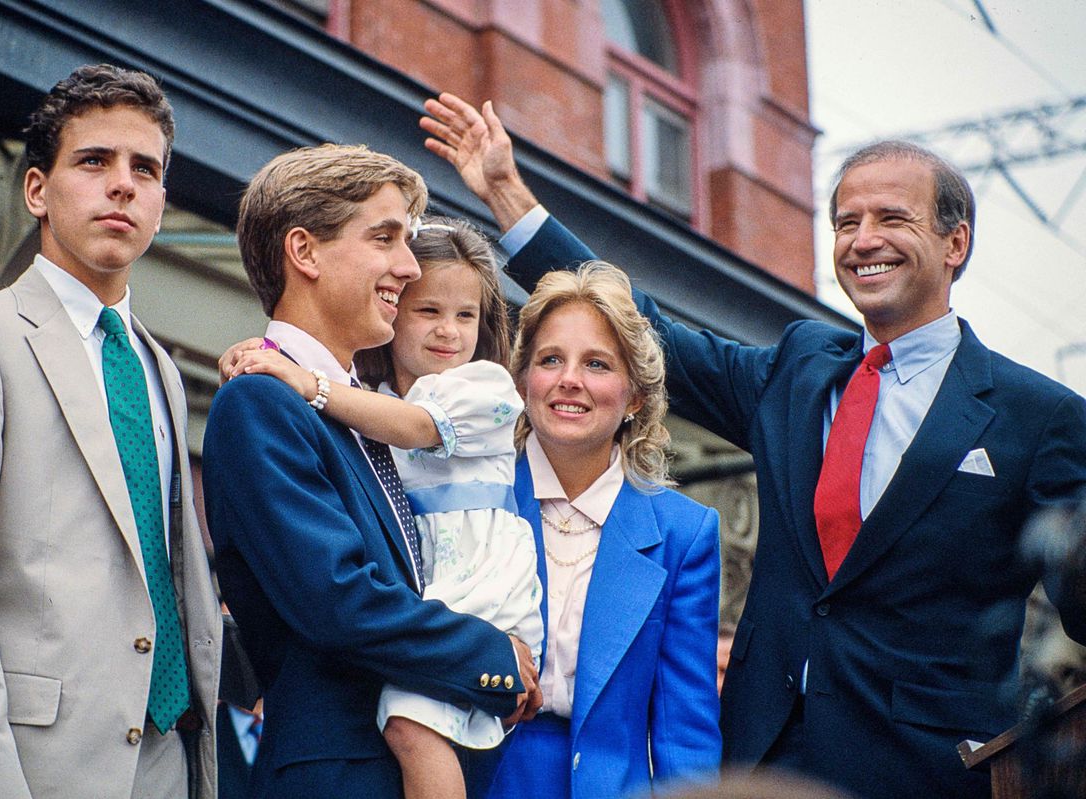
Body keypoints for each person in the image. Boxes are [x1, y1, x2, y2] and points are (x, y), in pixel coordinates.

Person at [419, 92, 1086, 799]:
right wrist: (504, 192)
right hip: (761, 759)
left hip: (926, 772)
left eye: (892, 218)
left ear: (956, 243)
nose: (863, 239)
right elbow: (645, 332)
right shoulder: (798, 367)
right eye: (846, 222)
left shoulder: (1038, 417)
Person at [0, 64, 222, 798]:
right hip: (26, 773)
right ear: (37, 189)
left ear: (162, 202)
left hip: (167, 762)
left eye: (146, 168)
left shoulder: (159, 368)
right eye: (94, 160)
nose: (123, 183)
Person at [201, 144, 539, 799]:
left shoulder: (369, 411)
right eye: (384, 237)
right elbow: (338, 600)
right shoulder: (260, 402)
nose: (408, 267)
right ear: (305, 252)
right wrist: (491, 655)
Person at [471, 262, 720, 798]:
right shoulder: (470, 494)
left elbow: (685, 730)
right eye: (551, 359)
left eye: (598, 364)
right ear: (522, 381)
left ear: (634, 396)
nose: (570, 380)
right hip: (470, 780)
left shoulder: (684, 533)